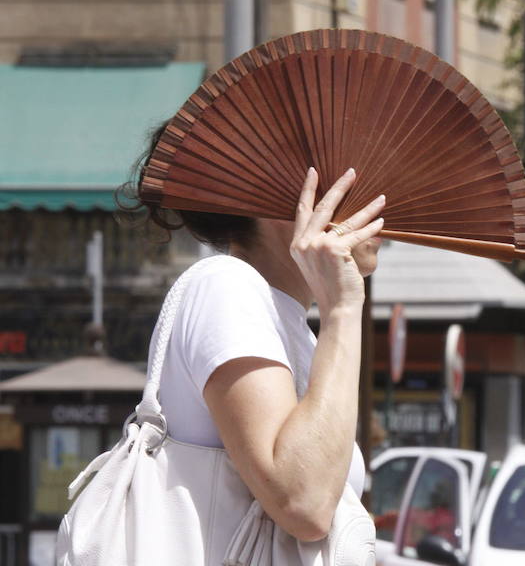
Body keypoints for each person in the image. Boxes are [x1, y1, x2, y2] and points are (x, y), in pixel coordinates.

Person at [118, 122, 385, 543]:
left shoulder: (294, 327)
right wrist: (343, 310)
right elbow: (304, 503)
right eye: (350, 183)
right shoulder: (226, 285)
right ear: (286, 195)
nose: (379, 205)